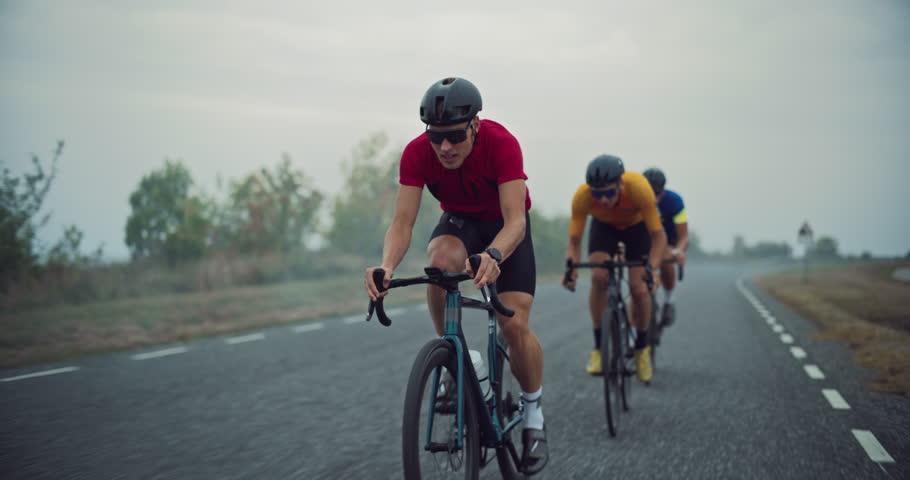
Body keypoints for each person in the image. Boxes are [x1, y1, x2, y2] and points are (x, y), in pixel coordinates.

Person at [363, 77, 547, 474]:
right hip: (461, 222)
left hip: (504, 228)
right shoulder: (416, 153)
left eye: (455, 137)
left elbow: (516, 219)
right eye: (436, 137)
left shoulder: (502, 143)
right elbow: (402, 221)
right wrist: (387, 266)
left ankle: (533, 413)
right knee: (439, 262)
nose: (445, 147)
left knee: (513, 324)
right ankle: (458, 356)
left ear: (476, 125)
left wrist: (495, 253)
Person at [562, 155, 666, 383]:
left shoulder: (639, 188)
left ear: (620, 184)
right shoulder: (582, 196)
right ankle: (599, 348)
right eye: (598, 195)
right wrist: (571, 268)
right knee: (599, 277)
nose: (604, 199)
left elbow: (658, 236)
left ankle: (641, 350)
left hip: (637, 230)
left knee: (639, 289)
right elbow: (574, 240)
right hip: (605, 229)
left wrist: (654, 268)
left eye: (609, 193)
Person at [642, 168, 688, 328]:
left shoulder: (674, 201)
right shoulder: (636, 200)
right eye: (649, 193)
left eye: (656, 193)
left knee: (667, 261)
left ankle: (669, 300)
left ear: (663, 190)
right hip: (644, 238)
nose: (653, 198)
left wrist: (679, 250)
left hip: (669, 239)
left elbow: (683, 236)